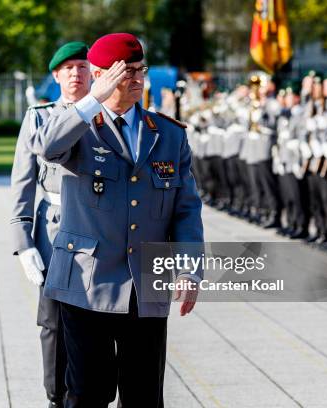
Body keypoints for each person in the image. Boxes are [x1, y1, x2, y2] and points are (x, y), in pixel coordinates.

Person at [28, 33, 203, 407]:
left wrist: (188, 269)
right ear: (100, 75)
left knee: (144, 395)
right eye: (125, 73)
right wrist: (92, 99)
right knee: (89, 393)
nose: (136, 80)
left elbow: (186, 209)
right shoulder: (76, 125)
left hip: (146, 284)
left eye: (141, 71)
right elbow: (46, 146)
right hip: (86, 282)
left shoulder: (168, 134)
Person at [9, 41, 90, 408]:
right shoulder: (39, 117)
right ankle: (55, 397)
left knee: (99, 322)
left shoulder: (104, 114)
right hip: (54, 229)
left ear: (94, 73)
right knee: (53, 322)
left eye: (82, 66)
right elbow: (22, 183)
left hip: (97, 228)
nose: (76, 73)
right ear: (56, 76)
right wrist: (23, 242)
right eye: (68, 68)